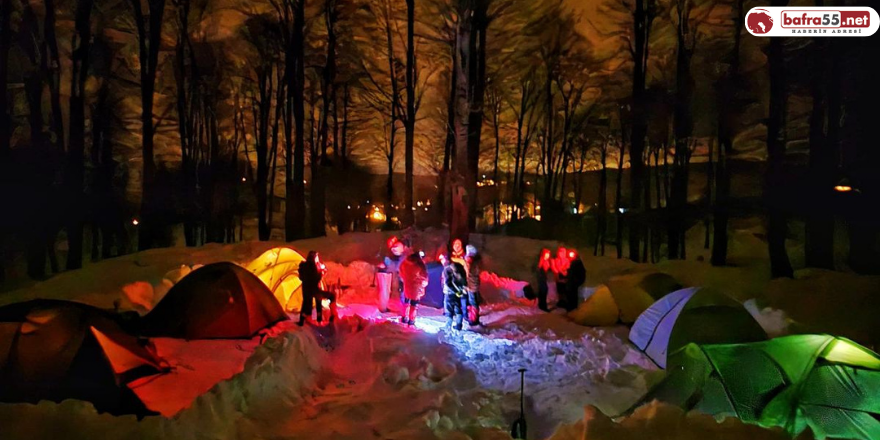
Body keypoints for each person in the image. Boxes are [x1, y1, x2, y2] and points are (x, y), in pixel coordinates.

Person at [398, 252, 429, 326]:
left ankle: (404, 317)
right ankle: (411, 320)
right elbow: (424, 276)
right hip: (416, 288)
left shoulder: (405, 263)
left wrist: (405, 279)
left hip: (407, 286)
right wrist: (423, 283)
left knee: (406, 302)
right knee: (414, 305)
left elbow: (401, 272)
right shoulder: (419, 265)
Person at [439, 253, 467, 330]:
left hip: (449, 293)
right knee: (458, 308)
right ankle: (459, 325)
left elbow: (448, 283)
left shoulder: (447, 269)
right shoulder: (458, 266)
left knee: (449, 309)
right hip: (459, 292)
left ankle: (448, 326)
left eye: (442, 260)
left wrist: (453, 290)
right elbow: (464, 279)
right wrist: (460, 290)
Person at [298, 251, 326, 326]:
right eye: (316, 257)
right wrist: (321, 273)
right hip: (314, 288)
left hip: (306, 288)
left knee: (306, 303)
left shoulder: (304, 266)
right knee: (318, 301)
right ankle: (319, 319)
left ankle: (302, 320)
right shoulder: (312, 266)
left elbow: (301, 277)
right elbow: (316, 278)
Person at [380, 236, 406, 316]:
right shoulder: (399, 256)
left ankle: (405, 311)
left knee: (405, 294)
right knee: (403, 293)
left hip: (404, 277)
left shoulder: (403, 257)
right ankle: (405, 310)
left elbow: (396, 266)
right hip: (402, 277)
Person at [465, 244, 483, 326]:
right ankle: (474, 317)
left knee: (473, 302)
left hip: (470, 284)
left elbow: (467, 273)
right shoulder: (477, 262)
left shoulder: (470, 262)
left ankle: (473, 319)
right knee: (474, 301)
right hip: (474, 284)